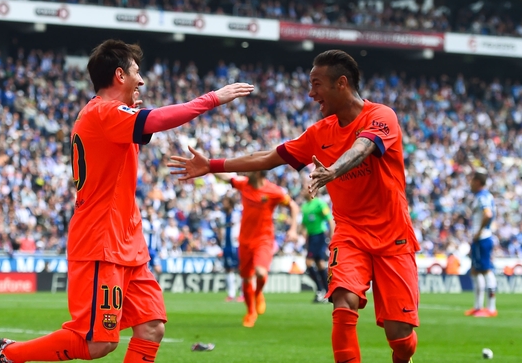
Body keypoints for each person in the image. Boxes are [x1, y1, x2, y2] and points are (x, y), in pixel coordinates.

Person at [0, 39, 253, 363]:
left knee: (151, 327)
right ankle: (10, 354)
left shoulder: (110, 114)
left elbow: (143, 123)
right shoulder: (104, 112)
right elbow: (155, 120)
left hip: (127, 240)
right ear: (119, 75)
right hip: (102, 240)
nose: (141, 80)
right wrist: (213, 98)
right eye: (136, 72)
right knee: (97, 344)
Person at [169, 50, 420, 363]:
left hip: (392, 236)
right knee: (343, 300)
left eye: (316, 84)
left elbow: (364, 145)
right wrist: (213, 165)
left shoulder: (382, 116)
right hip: (350, 234)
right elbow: (267, 157)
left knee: (400, 339)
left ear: (341, 83)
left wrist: (333, 170)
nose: (310, 93)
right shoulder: (319, 133)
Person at [216, 171, 299, 327]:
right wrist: (208, 166)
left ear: (259, 172)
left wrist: (293, 229)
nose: (247, 170)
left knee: (260, 272)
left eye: (252, 168)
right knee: (246, 278)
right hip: (245, 240)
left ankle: (258, 293)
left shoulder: (273, 191)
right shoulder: (244, 184)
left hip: (264, 239)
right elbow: (227, 177)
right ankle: (250, 312)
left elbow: (293, 206)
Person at [464, 167, 498, 317]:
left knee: (485, 270)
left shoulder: (483, 196)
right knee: (475, 270)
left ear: (477, 181)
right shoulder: (483, 196)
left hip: (482, 237)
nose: (470, 183)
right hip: (480, 238)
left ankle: (490, 308)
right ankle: (478, 307)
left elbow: (488, 214)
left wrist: (478, 232)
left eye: (472, 180)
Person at [299, 181, 335, 303]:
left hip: (319, 236)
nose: (302, 191)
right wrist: (299, 232)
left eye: (304, 189)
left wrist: (331, 236)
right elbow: (303, 224)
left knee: (308, 263)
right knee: (319, 264)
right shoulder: (304, 206)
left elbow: (329, 220)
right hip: (311, 237)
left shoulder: (319, 204)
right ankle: (326, 291)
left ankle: (320, 290)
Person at [217, 196, 243, 303]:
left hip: (235, 245)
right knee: (228, 269)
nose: (223, 204)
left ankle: (242, 293)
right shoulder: (222, 216)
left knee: (240, 269)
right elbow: (220, 229)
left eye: (225, 202)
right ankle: (231, 294)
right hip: (226, 245)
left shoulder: (237, 214)